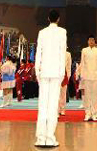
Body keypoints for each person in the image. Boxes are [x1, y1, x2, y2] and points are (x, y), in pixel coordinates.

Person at [34, 10, 67, 148]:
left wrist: (37, 71)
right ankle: (50, 138)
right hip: (56, 72)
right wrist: (62, 73)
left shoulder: (42, 32)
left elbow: (38, 53)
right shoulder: (62, 32)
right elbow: (62, 52)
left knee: (42, 105)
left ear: (48, 18)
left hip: (44, 72)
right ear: (58, 19)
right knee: (53, 106)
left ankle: (41, 138)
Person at [79, 35, 97, 121]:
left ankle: (94, 113)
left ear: (95, 41)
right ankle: (87, 113)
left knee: (94, 95)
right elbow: (82, 63)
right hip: (87, 75)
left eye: (93, 40)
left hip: (95, 76)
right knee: (87, 95)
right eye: (90, 40)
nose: (91, 42)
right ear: (88, 41)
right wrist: (82, 75)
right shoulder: (84, 50)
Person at [59, 50, 72, 116]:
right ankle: (56, 109)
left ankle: (62, 109)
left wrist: (68, 75)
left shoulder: (68, 54)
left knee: (63, 93)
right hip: (56, 74)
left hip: (64, 74)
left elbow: (69, 65)